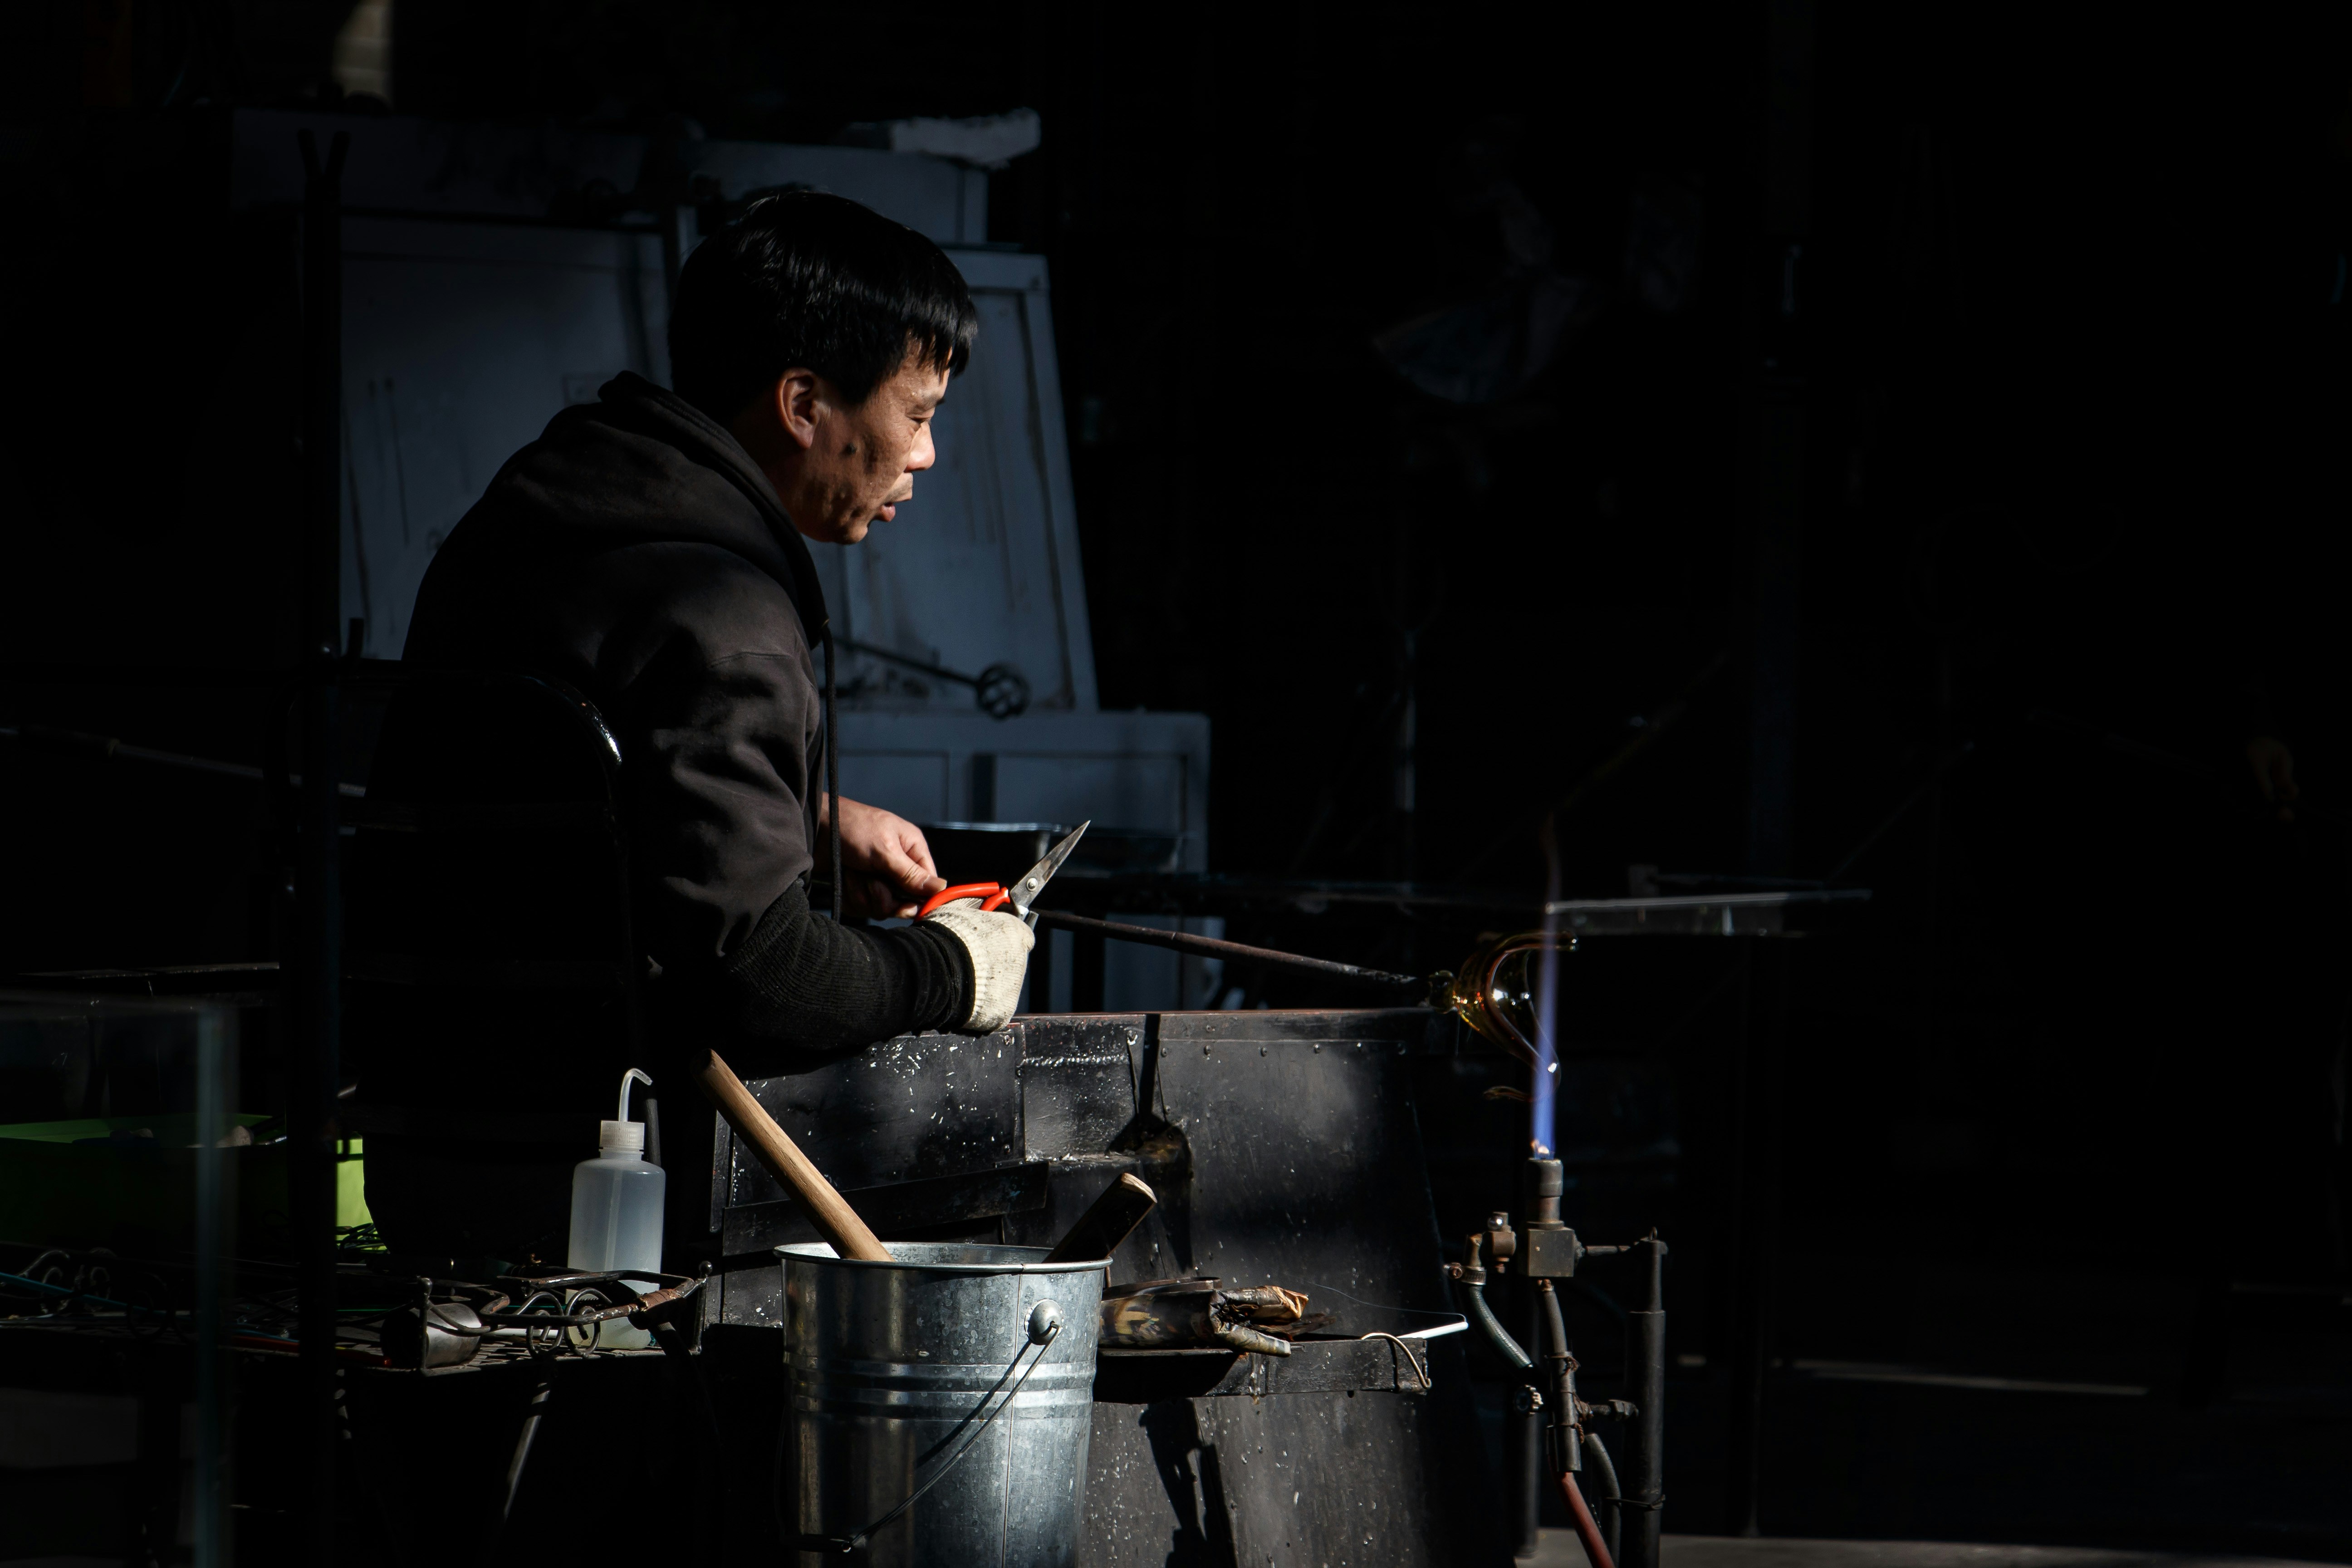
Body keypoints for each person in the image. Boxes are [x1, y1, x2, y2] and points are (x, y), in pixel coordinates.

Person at [356, 192, 1034, 1264]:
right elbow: (759, 978)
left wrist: (801, 821)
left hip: (418, 1135)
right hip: (602, 1189)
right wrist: (949, 971)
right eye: (918, 414)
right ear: (804, 403)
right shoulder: (727, 616)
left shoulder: (536, 514)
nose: (929, 456)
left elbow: (571, 791)